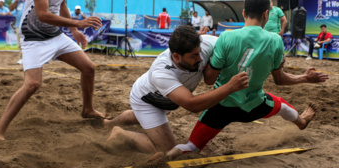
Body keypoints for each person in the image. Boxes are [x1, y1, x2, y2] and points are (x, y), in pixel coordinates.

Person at [162, 0, 329, 160]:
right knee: (282, 105)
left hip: (221, 106)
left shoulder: (226, 36)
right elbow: (280, 80)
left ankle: (163, 159)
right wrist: (304, 78)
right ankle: (301, 122)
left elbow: (209, 80)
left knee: (191, 146)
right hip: (254, 106)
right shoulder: (276, 41)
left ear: (243, 13)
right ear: (266, 14)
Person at [0, 0, 105, 141]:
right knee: (32, 84)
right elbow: (43, 14)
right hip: (33, 36)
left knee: (89, 68)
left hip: (54, 34)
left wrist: (75, 32)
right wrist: (77, 23)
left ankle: (88, 110)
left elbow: (62, 4)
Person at [103, 25, 249, 154]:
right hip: (146, 100)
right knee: (166, 150)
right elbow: (192, 105)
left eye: (199, 52)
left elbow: (231, 45)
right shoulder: (161, 72)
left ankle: (109, 123)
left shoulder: (205, 44)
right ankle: (119, 133)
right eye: (194, 56)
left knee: (139, 117)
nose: (200, 58)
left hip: (165, 98)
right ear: (176, 56)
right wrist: (229, 87)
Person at [9, 0, 28, 65]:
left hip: (29, 24)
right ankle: (22, 58)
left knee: (31, 42)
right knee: (20, 42)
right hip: (19, 24)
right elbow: (10, 8)